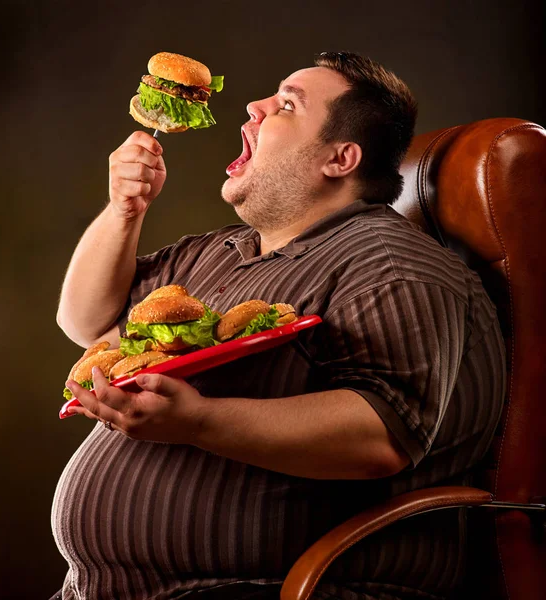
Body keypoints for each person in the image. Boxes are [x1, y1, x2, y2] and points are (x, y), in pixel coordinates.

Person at [51, 52, 506, 600]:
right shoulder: (219, 253)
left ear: (339, 158)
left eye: (287, 103)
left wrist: (197, 421)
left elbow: (382, 435)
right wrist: (125, 209)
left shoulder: (388, 262)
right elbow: (88, 322)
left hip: (271, 587)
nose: (254, 105)